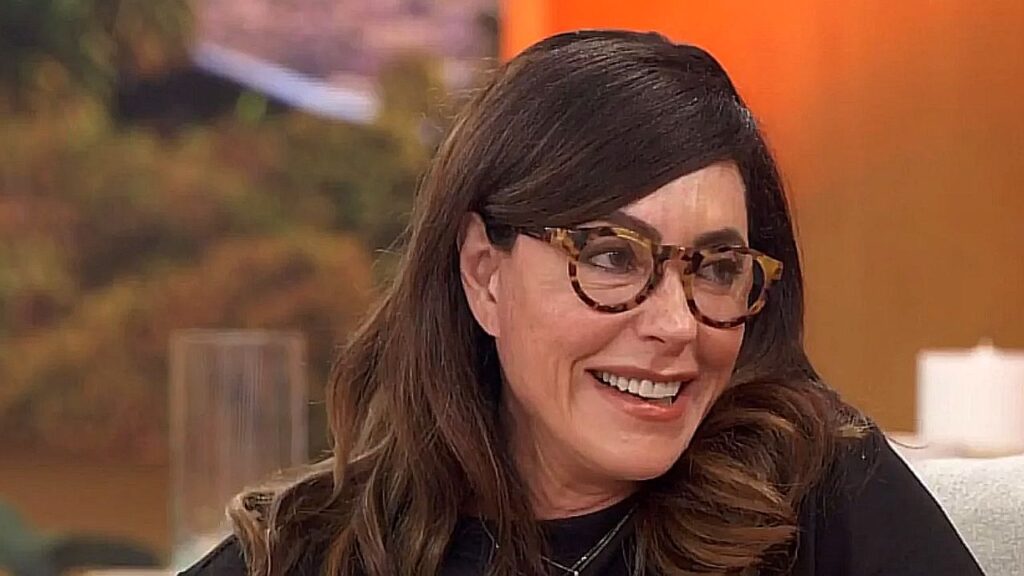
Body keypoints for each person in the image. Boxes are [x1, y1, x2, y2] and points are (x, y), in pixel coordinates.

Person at [181, 30, 984, 576]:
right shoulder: (312, 548)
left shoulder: (818, 491)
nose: (676, 326)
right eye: (610, 257)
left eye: (716, 267)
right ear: (484, 274)